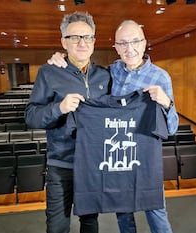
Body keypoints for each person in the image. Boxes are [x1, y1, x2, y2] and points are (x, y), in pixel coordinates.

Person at [48, 20, 178, 233]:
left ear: (144, 43)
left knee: (156, 212)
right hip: (117, 158)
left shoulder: (160, 77)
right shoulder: (112, 72)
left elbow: (171, 128)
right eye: (123, 43)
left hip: (144, 159)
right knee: (123, 214)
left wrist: (166, 103)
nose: (130, 48)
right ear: (116, 47)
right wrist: (62, 58)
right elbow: (85, 75)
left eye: (135, 41)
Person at [25, 11, 112, 233]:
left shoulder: (105, 76)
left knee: (90, 223)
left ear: (94, 41)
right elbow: (31, 116)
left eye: (87, 37)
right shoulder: (49, 72)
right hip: (61, 164)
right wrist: (59, 108)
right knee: (57, 226)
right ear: (64, 41)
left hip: (93, 163)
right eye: (75, 37)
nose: (82, 42)